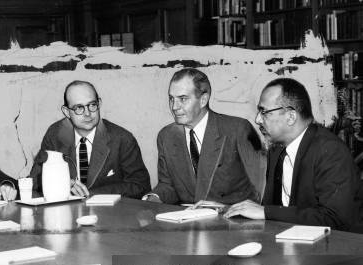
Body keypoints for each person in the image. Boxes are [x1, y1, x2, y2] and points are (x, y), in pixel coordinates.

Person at [225, 78, 360, 230]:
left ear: (291, 117)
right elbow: (276, 209)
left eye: (264, 112)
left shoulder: (331, 151)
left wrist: (266, 212)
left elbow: (335, 218)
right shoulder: (276, 149)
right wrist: (226, 209)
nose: (257, 120)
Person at [143, 68, 264, 205]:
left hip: (235, 220)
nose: (174, 107)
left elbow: (260, 189)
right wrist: (152, 199)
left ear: (203, 100)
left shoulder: (237, 129)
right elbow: (168, 185)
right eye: (171, 98)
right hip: (189, 220)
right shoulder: (166, 136)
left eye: (183, 99)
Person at [29, 80, 150, 199]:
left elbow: (141, 186)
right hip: (66, 213)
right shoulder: (55, 134)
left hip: (109, 214)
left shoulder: (122, 138)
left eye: (92, 105)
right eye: (79, 108)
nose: (87, 113)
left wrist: (92, 193)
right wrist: (62, 182)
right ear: (66, 112)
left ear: (99, 104)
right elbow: (35, 180)